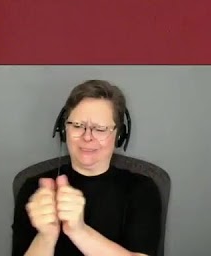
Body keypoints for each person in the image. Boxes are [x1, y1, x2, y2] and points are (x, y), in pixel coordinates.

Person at [12, 80, 161, 256]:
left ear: (119, 135)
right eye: (77, 126)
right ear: (63, 129)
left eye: (100, 129)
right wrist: (45, 237)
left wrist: (79, 231)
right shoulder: (34, 188)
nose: (87, 137)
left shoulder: (141, 189)